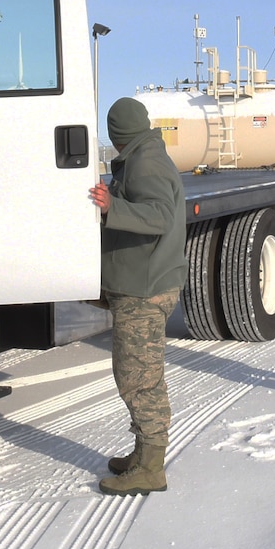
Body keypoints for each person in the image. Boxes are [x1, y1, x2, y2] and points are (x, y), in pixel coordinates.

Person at [88, 97, 187, 495]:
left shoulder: (145, 162)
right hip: (142, 284)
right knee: (139, 373)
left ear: (117, 132)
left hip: (145, 289)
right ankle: (143, 453)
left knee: (138, 378)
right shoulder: (143, 155)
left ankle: (151, 467)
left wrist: (113, 207)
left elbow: (160, 215)